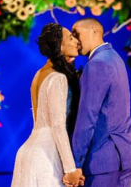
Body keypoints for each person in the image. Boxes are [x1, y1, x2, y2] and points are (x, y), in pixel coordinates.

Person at [67, 18, 131, 187]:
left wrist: (76, 163)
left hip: (103, 160)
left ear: (94, 31)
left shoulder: (97, 64)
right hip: (125, 155)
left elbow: (87, 117)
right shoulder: (114, 57)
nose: (75, 40)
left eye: (76, 33)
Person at [11, 23, 85, 187]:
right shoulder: (58, 77)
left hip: (28, 151)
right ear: (59, 45)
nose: (76, 42)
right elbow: (57, 126)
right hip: (46, 155)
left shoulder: (40, 74)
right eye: (71, 38)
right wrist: (70, 168)